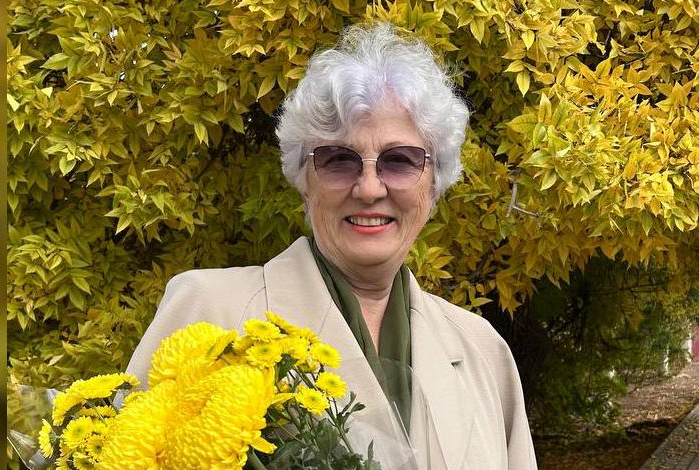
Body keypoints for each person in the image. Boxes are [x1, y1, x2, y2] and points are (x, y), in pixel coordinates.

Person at [126, 23, 538, 469]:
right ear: (303, 180)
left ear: (434, 183)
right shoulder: (209, 311)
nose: (369, 188)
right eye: (339, 160)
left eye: (399, 161)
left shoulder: (483, 352)